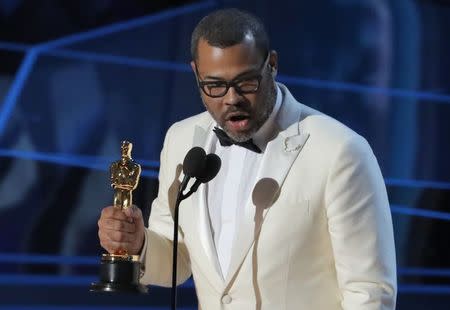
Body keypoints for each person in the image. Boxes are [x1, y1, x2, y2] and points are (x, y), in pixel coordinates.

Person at [97, 8, 397, 309]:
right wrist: (139, 243)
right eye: (214, 85)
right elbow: (179, 258)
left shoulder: (340, 150)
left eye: (246, 82)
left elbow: (369, 292)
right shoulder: (181, 139)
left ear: (273, 65)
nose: (232, 99)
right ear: (196, 74)